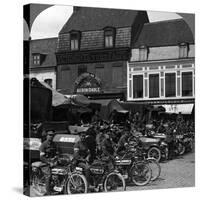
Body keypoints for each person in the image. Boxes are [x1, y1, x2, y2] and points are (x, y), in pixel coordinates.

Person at [39, 130, 57, 195]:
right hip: (45, 163)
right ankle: (48, 193)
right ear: (47, 136)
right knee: (48, 176)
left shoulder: (54, 144)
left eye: (52, 135)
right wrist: (49, 162)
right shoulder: (43, 145)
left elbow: (56, 153)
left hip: (53, 162)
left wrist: (56, 157)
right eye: (49, 135)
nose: (51, 136)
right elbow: (41, 157)